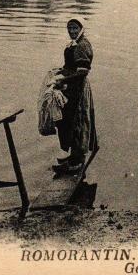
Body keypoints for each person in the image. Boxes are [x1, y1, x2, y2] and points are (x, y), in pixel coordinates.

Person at [52, 17, 97, 174]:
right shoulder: (74, 44)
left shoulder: (82, 46)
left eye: (75, 28)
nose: (71, 31)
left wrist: (62, 79)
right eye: (69, 28)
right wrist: (60, 72)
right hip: (71, 87)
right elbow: (71, 66)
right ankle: (73, 155)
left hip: (78, 89)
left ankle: (76, 161)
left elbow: (82, 72)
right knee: (67, 120)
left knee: (77, 122)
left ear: (81, 29)